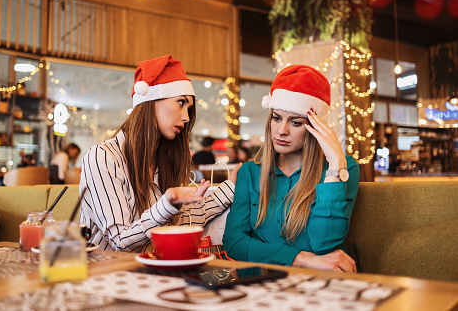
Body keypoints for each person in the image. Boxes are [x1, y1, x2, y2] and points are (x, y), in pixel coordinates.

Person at [79, 55, 240, 252]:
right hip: (107, 274)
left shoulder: (162, 159)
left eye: (189, 109)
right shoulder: (103, 157)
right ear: (151, 101)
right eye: (181, 103)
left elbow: (180, 223)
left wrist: (230, 187)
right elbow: (121, 241)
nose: (186, 117)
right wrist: (165, 205)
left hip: (152, 271)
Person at [223, 65, 360, 273]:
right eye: (277, 118)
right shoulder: (249, 173)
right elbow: (234, 244)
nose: (282, 130)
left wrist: (334, 165)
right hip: (258, 287)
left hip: (316, 289)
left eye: (295, 123)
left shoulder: (343, 168)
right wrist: (300, 258)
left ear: (315, 127)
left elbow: (324, 246)